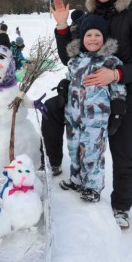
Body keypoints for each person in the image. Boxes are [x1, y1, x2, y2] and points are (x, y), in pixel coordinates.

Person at [49, 0, 132, 228]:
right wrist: (63, 26)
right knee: (79, 139)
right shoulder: (89, 18)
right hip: (89, 101)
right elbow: (70, 57)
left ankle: (121, 205)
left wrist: (116, 75)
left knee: (123, 154)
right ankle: (76, 177)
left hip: (128, 99)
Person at [58, 15, 127, 203]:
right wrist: (63, 86)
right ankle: (76, 179)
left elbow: (118, 87)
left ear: (104, 38)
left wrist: (118, 110)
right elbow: (70, 78)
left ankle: (92, 186)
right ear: (82, 38)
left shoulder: (110, 62)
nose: (93, 39)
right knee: (73, 148)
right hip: (73, 114)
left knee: (92, 151)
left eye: (98, 35)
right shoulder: (74, 61)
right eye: (89, 35)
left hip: (96, 117)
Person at [40, 9, 85, 177]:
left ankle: (84, 172)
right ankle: (53, 160)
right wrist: (66, 83)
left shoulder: (101, 53)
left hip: (94, 96)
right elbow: (69, 61)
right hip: (73, 90)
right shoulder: (76, 49)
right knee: (50, 108)